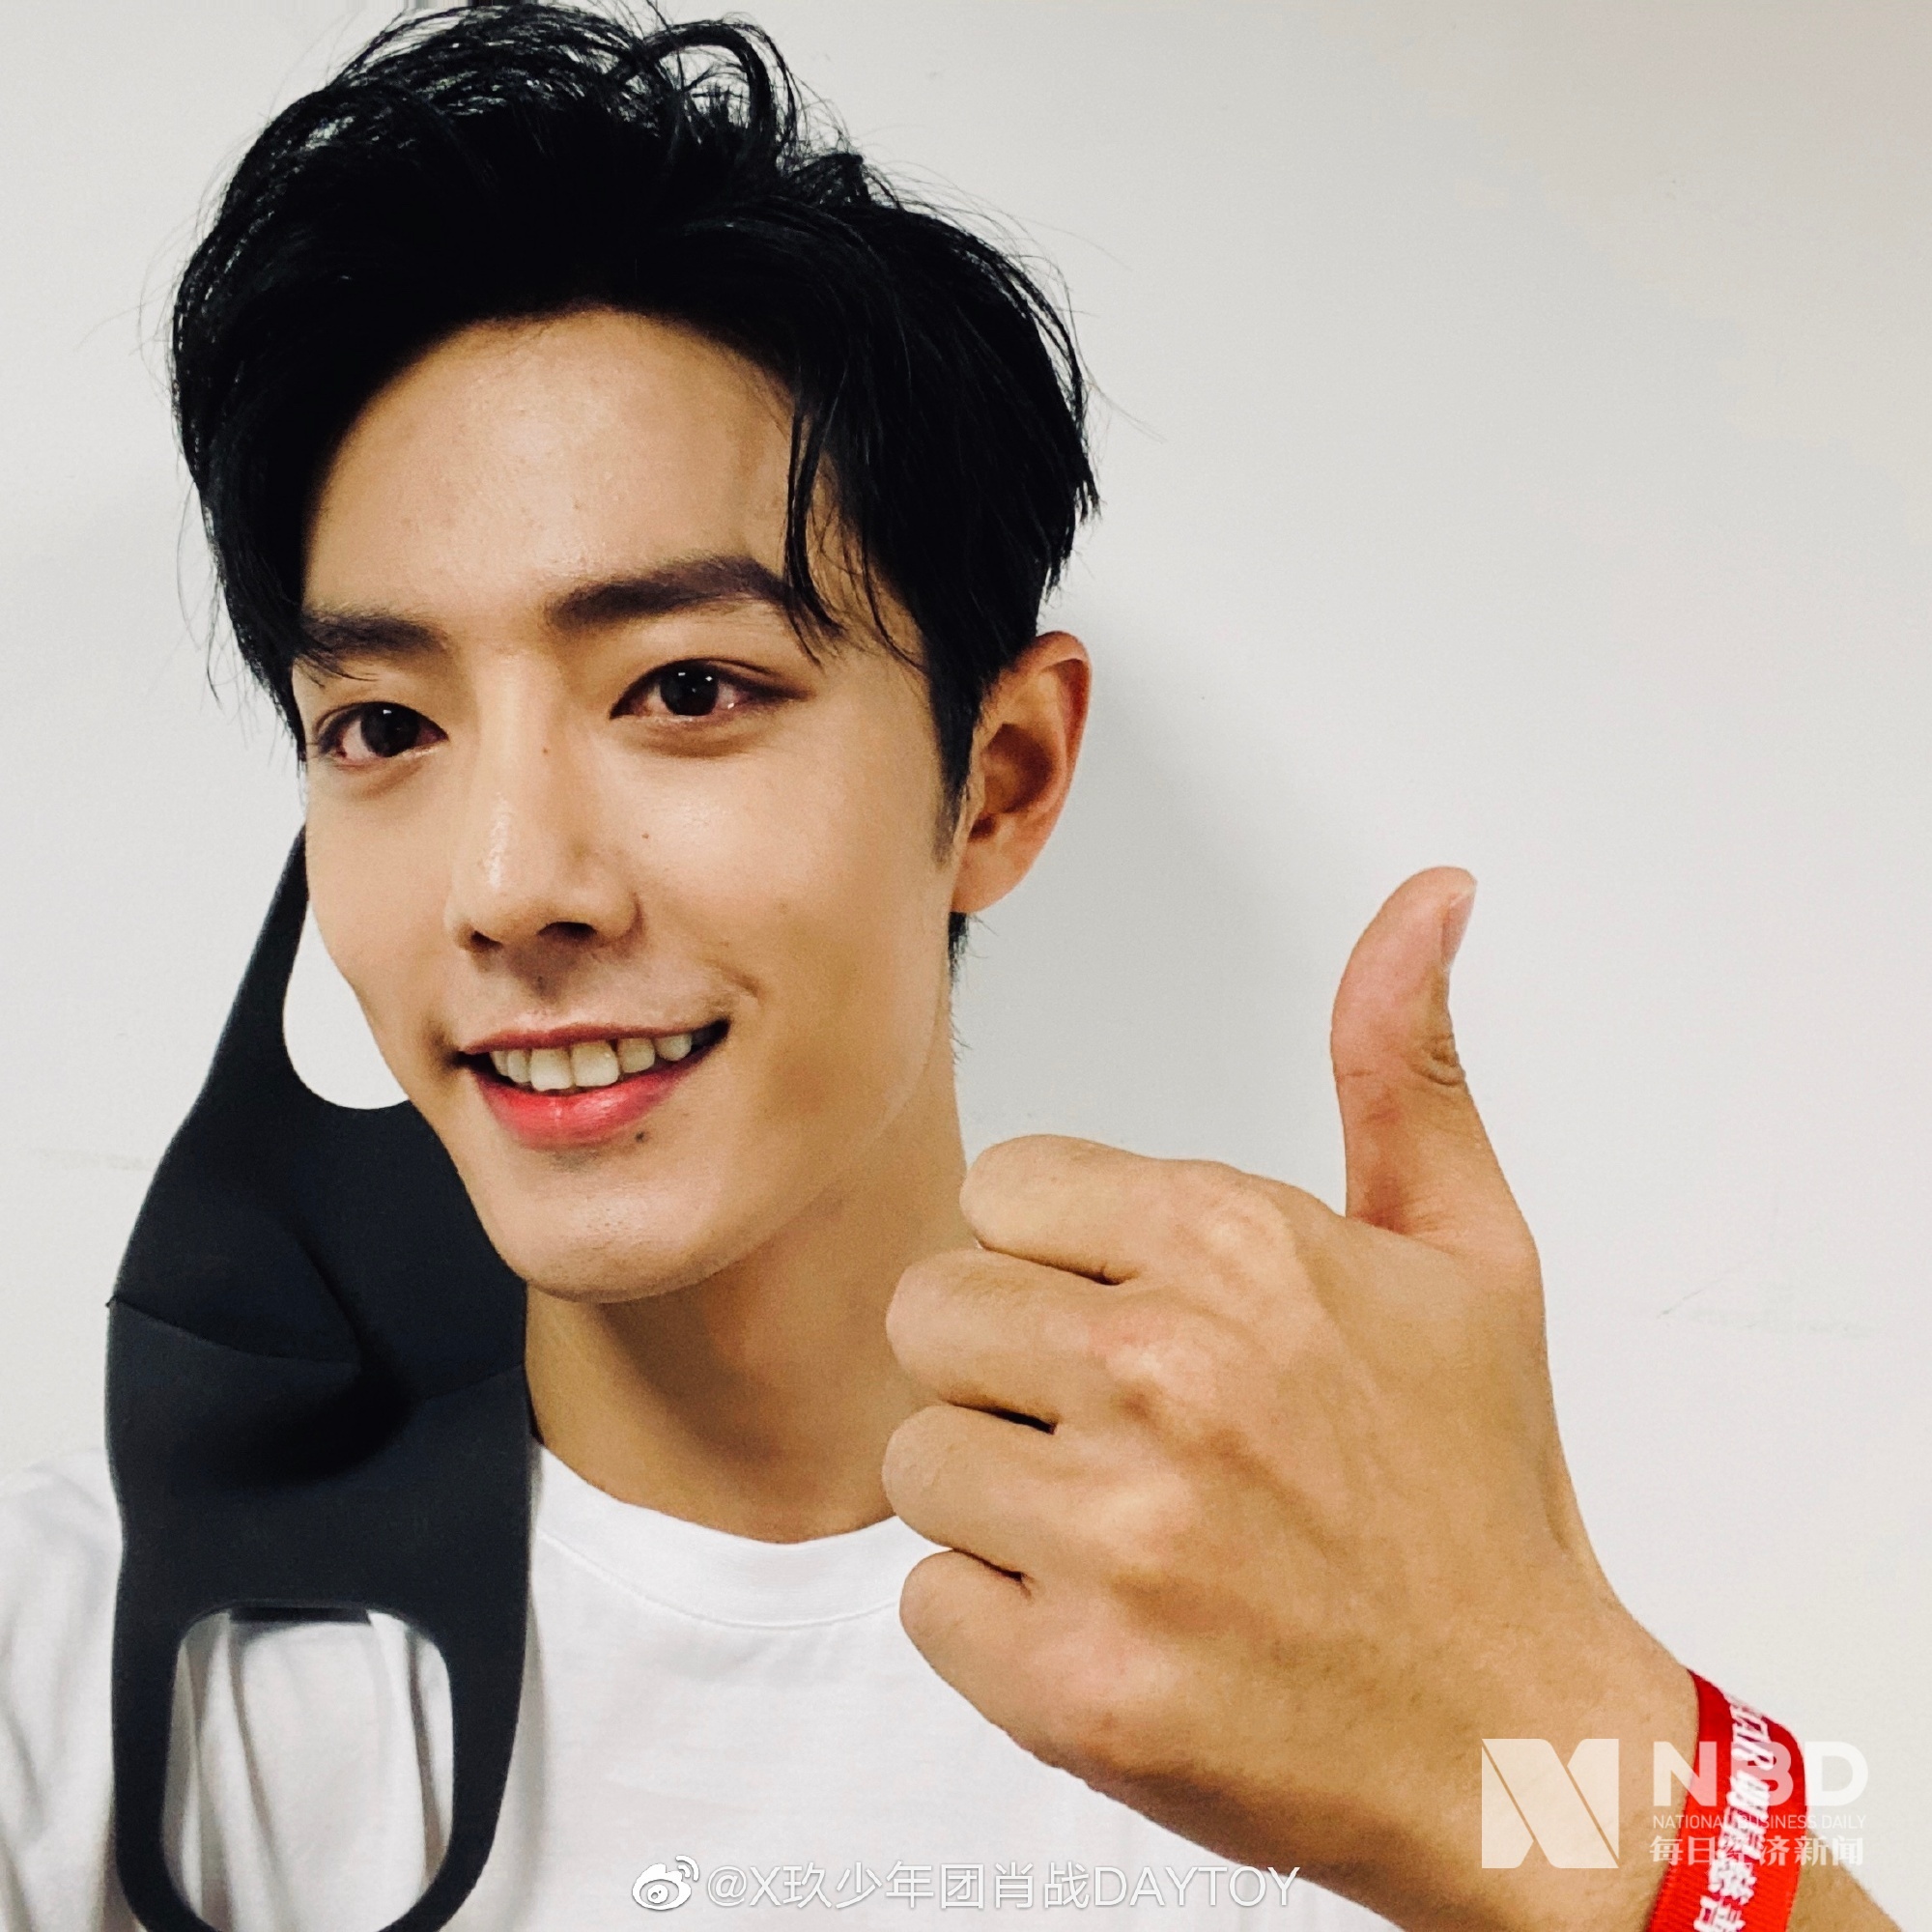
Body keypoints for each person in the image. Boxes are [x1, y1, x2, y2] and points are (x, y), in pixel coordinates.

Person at [0, 5, 1899, 1929]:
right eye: (384, 726)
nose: (507, 887)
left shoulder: (1341, 1665)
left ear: (999, 779)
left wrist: (1548, 1720)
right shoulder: (82, 1651)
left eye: (685, 688)